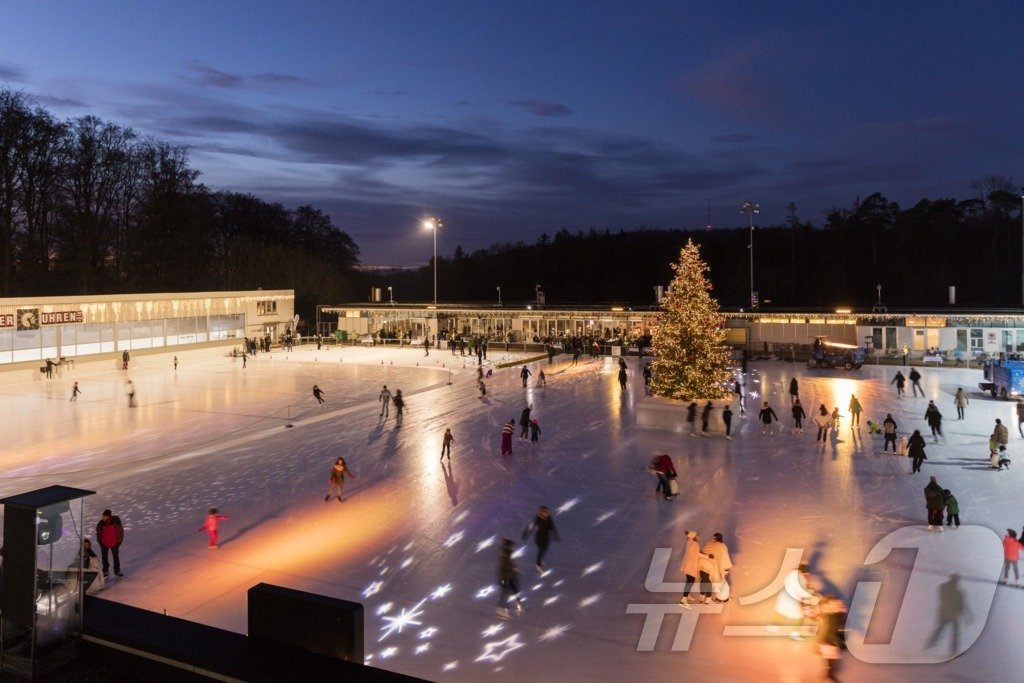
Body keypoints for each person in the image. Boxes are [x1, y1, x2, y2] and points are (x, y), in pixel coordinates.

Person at [773, 563, 819, 640]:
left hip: (784, 597)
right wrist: (812, 593)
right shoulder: (801, 579)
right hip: (792, 600)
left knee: (781, 611)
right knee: (799, 617)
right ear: (805, 573)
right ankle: (794, 634)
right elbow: (802, 591)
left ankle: (773, 626)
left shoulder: (792, 574)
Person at [817, 595, 848, 680]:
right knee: (829, 655)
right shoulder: (830, 615)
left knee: (830, 656)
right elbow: (829, 629)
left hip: (830, 638)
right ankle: (829, 672)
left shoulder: (833, 614)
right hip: (829, 639)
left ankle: (829, 672)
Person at [678, 530, 710, 608]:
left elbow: (694, 552)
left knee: (689, 580)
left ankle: (687, 595)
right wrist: (708, 556)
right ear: (694, 536)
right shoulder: (695, 543)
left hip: (686, 564)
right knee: (690, 582)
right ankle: (684, 600)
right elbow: (697, 554)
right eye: (696, 535)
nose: (697, 536)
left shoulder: (689, 542)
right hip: (691, 565)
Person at [523, 506, 560, 572]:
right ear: (542, 512)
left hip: (546, 538)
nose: (548, 513)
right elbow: (531, 527)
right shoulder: (537, 519)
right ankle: (538, 564)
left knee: (544, 550)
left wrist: (556, 535)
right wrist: (525, 534)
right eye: (546, 512)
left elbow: (552, 527)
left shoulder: (549, 518)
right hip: (539, 538)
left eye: (548, 511)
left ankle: (540, 560)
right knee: (541, 550)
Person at [496, 538, 523, 618]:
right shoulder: (506, 555)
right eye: (511, 546)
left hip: (510, 577)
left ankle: (518, 602)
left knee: (512, 590)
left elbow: (511, 566)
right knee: (505, 594)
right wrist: (505, 578)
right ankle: (500, 610)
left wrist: (515, 573)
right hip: (506, 578)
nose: (512, 547)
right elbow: (506, 567)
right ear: (508, 546)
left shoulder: (508, 554)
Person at [703, 533, 733, 602]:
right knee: (721, 580)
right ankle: (722, 597)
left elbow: (705, 552)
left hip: (710, 567)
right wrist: (724, 570)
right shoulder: (723, 546)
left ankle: (714, 596)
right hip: (719, 568)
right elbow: (725, 558)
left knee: (714, 580)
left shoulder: (710, 544)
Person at [96, 509, 125, 578]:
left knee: (115, 557)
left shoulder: (116, 521)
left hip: (115, 543)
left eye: (104, 516)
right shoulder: (101, 523)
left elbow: (120, 531)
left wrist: (119, 541)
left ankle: (117, 571)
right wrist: (100, 542)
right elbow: (98, 533)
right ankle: (105, 571)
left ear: (108, 516)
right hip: (104, 543)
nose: (103, 518)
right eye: (102, 516)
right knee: (104, 557)